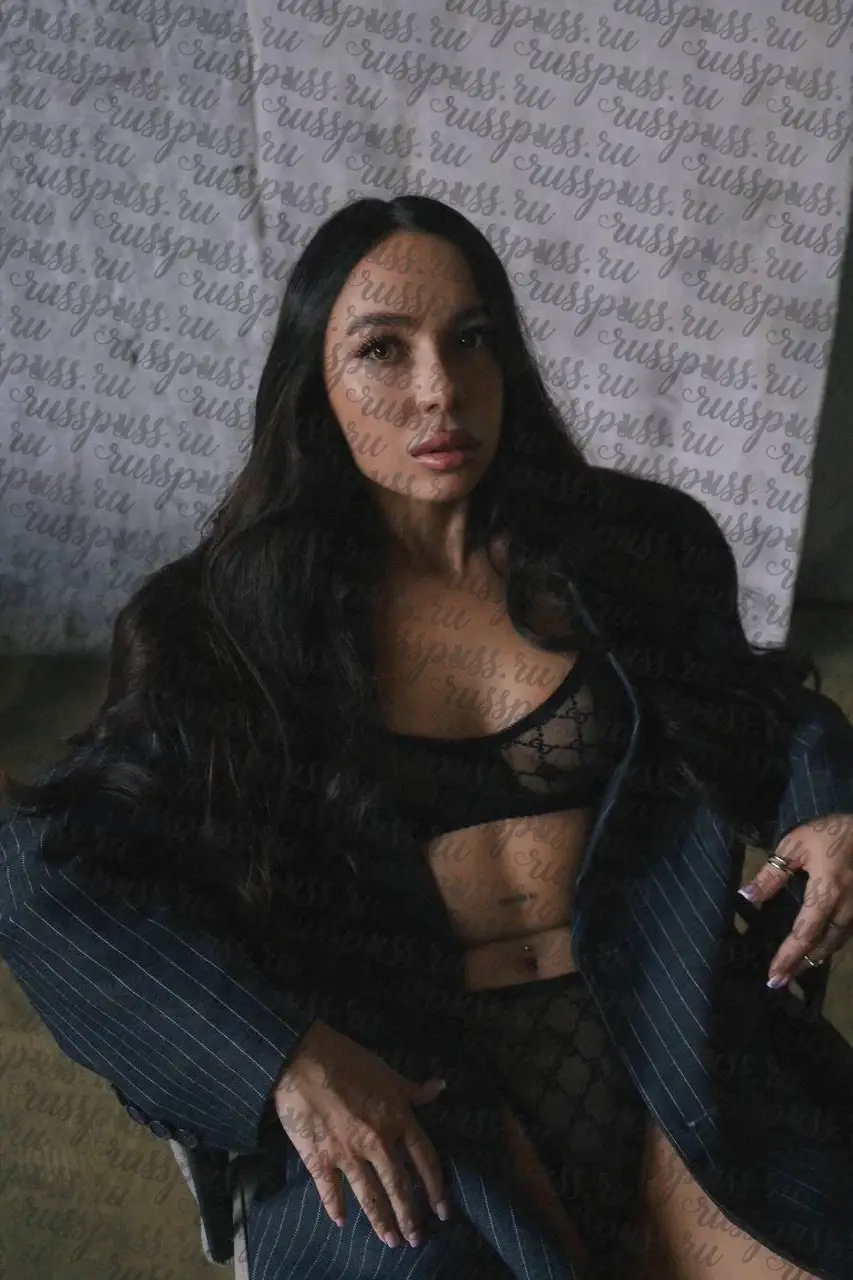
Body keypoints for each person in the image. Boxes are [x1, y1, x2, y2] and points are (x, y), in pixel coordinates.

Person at [2, 194, 853, 1280]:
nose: (439, 390)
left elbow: (763, 711)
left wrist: (829, 804)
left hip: (672, 1046)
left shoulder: (635, 548)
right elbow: (43, 864)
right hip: (413, 1096)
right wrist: (278, 1059)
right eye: (381, 350)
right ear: (314, 382)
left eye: (469, 339)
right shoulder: (218, 626)